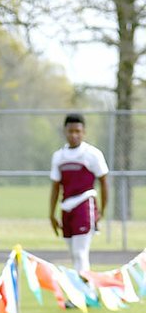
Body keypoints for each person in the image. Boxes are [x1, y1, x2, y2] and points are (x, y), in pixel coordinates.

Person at [49, 113, 109, 277]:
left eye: (78, 131)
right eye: (70, 131)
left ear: (84, 132)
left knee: (80, 252)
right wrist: (51, 214)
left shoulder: (92, 154)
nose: (74, 135)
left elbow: (104, 182)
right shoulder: (59, 156)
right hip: (66, 207)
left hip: (84, 204)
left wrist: (102, 210)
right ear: (65, 131)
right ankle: (82, 291)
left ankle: (85, 294)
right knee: (74, 254)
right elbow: (55, 186)